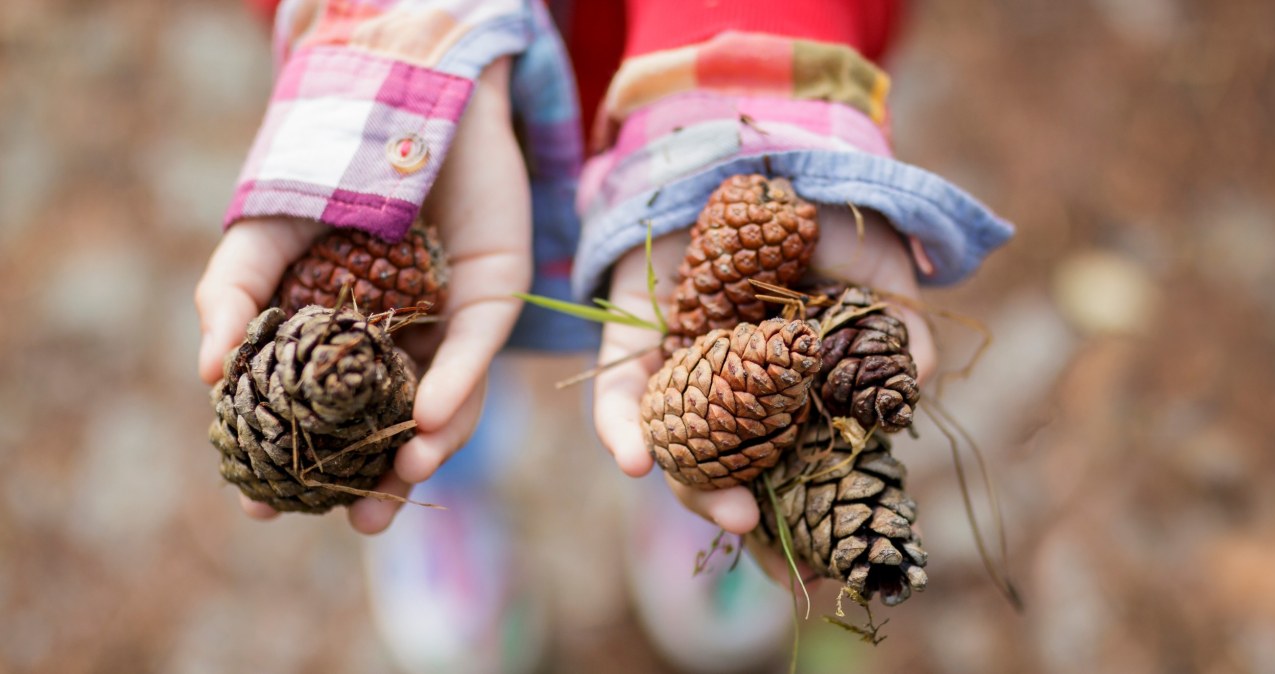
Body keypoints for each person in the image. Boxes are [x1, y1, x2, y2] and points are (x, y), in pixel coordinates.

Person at [195, 0, 1012, 670]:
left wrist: (753, 83)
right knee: (442, 362)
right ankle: (448, 486)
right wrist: (405, 60)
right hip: (474, 70)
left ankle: (696, 478)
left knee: (651, 354)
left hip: (664, 70)